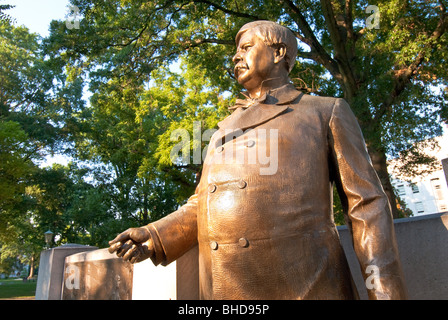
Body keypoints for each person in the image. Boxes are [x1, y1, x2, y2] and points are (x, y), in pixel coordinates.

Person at [109, 20, 408, 300]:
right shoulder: (221, 131)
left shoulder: (325, 111)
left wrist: (384, 292)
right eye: (236, 50)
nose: (236, 57)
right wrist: (153, 236)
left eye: (246, 47)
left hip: (307, 286)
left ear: (278, 53)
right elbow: (203, 204)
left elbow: (367, 206)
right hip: (226, 289)